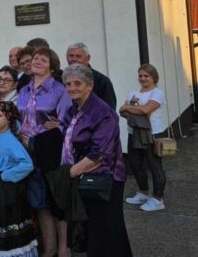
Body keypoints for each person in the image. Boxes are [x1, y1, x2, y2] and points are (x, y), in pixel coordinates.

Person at [61, 64, 132, 256]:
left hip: (104, 179)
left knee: (107, 230)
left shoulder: (103, 112)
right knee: (93, 231)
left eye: (77, 83)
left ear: (90, 85)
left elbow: (100, 154)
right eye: (68, 84)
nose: (72, 87)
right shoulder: (73, 110)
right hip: (83, 178)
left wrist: (70, 173)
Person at [17, 47, 71, 257]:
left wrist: (57, 126)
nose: (37, 62)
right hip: (27, 149)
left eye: (43, 59)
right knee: (39, 199)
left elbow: (66, 122)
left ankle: (63, 248)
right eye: (35, 59)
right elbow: (21, 118)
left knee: (56, 198)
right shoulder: (24, 89)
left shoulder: (59, 90)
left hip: (50, 148)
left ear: (52, 65)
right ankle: (48, 249)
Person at [0, 102, 37, 257]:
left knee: (3, 217)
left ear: (8, 118)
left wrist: (6, 175)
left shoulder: (12, 141)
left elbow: (27, 164)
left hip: (4, 186)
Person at [120, 63, 168, 212]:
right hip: (133, 133)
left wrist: (129, 108)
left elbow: (147, 109)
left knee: (154, 166)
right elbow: (122, 111)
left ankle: (158, 199)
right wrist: (133, 110)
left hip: (152, 134)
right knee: (135, 163)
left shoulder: (157, 93)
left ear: (153, 77)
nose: (143, 78)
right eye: (140, 75)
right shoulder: (133, 92)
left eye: (146, 75)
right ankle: (143, 192)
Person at [66, 43, 117, 109]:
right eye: (71, 56)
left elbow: (110, 111)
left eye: (78, 56)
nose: (74, 59)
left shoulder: (102, 81)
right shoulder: (63, 78)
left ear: (88, 58)